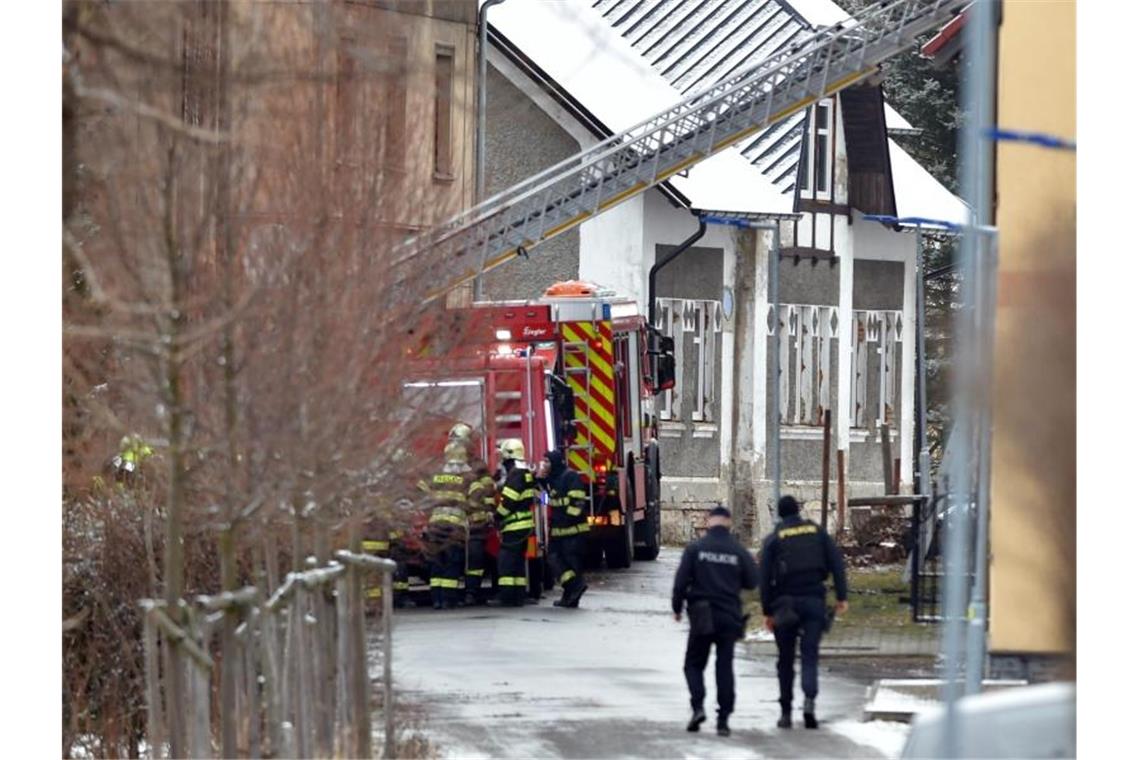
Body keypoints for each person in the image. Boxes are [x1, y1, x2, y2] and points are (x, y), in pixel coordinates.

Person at [759, 495, 849, 730]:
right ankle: (809, 702)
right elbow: (836, 563)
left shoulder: (774, 539)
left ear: (779, 513)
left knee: (785, 659)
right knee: (810, 654)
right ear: (798, 510)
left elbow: (765, 578)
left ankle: (786, 712)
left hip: (784, 605)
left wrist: (767, 611)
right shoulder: (817, 531)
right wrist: (841, 596)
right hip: (813, 602)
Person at [671, 504, 759, 737]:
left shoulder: (696, 548)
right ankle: (723, 719)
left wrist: (677, 608)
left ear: (709, 522)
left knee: (693, 663)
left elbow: (681, 582)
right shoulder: (737, 550)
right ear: (728, 523)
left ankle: (698, 706)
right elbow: (752, 581)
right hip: (729, 615)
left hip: (702, 614)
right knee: (724, 666)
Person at [419, 442, 473, 609]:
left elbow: (420, 491)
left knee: (437, 562)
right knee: (452, 563)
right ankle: (449, 600)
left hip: (435, 525)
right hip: (455, 527)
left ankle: (437, 599)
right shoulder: (467, 477)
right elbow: (478, 498)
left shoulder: (435, 475)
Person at [449, 423, 497, 606]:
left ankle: (471, 592)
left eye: (459, 442)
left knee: (474, 559)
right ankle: (450, 596)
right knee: (452, 560)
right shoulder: (447, 466)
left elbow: (487, 492)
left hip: (474, 524)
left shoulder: (478, 466)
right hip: (453, 524)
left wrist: (487, 513)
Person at [538, 449, 589, 608]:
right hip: (559, 531)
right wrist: (540, 484)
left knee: (571, 563)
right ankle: (572, 590)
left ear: (555, 462)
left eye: (547, 461)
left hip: (573, 531)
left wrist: (567, 520)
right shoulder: (552, 480)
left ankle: (573, 590)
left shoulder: (570, 476)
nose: (544, 464)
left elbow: (578, 501)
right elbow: (546, 502)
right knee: (554, 560)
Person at [492, 438, 535, 607]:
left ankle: (508, 598)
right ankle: (518, 596)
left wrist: (496, 517)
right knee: (517, 563)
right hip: (523, 525)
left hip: (514, 526)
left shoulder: (516, 474)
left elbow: (508, 501)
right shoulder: (524, 471)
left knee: (506, 563)